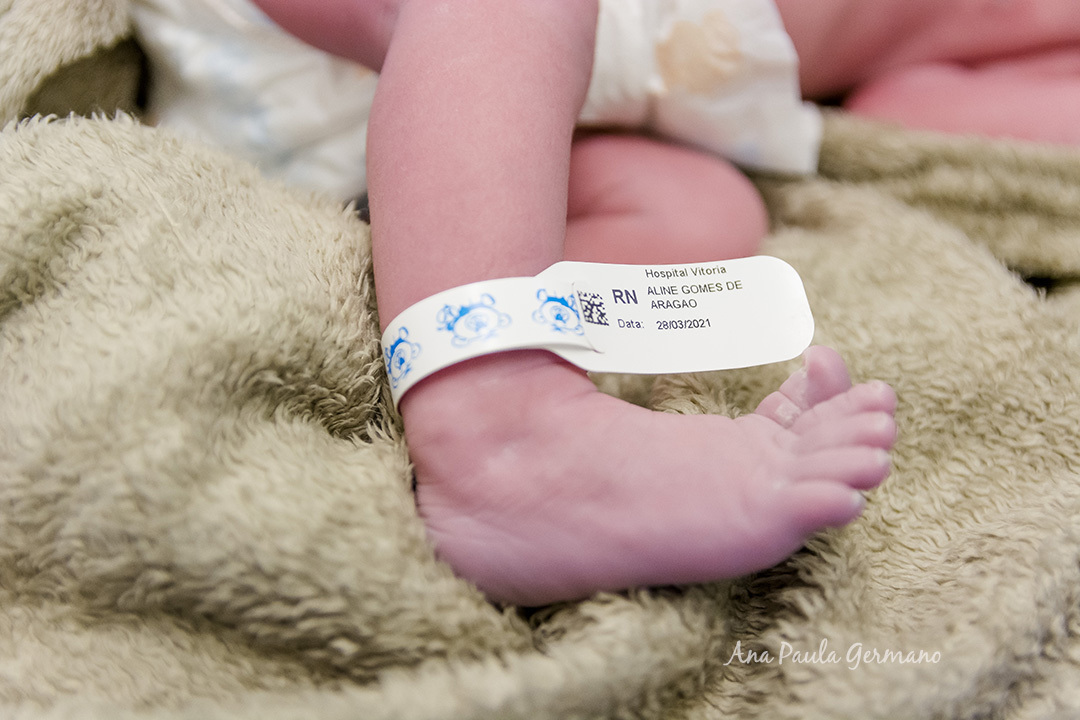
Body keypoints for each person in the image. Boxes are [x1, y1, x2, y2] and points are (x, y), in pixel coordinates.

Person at [197, 0, 1079, 606]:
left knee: (706, 214)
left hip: (504, 116)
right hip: (322, 34)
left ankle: (437, 276)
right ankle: (499, 424)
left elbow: (913, 105)